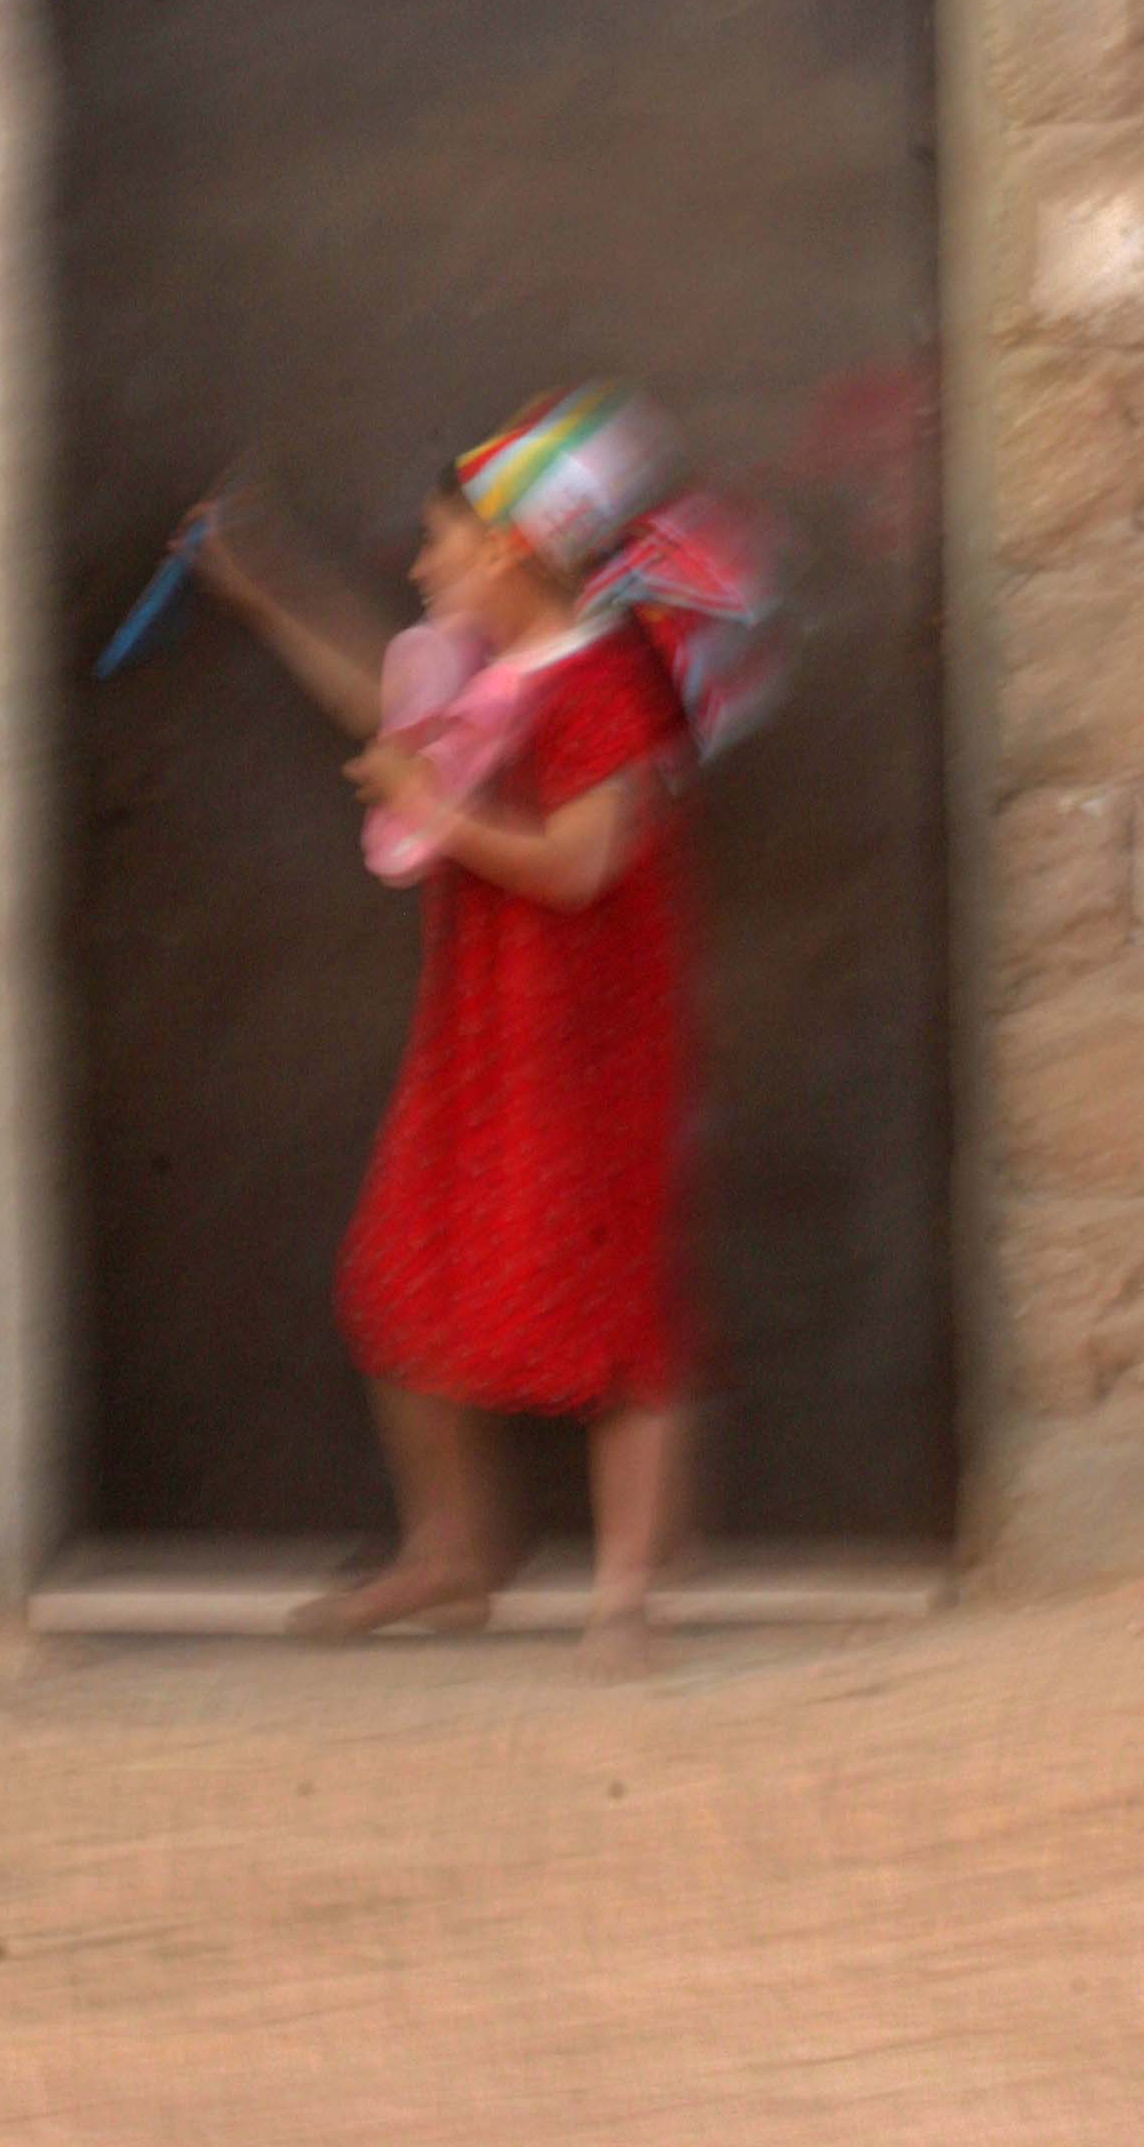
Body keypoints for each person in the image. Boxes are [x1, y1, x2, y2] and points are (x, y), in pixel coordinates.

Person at [188, 387, 779, 1673]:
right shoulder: (484, 667)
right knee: (401, 1275)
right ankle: (451, 1555)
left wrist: (433, 813)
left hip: (589, 1044)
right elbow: (382, 716)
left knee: (615, 1298)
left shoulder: (606, 687)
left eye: (439, 543)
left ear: (515, 549)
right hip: (487, 1029)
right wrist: (269, 597)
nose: (416, 564)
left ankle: (625, 1594)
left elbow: (577, 868)